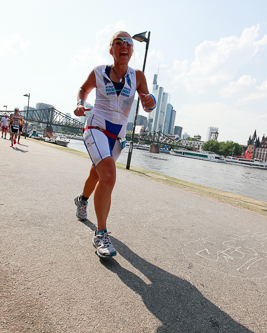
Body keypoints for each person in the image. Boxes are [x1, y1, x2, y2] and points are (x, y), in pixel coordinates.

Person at [73, 31, 156, 258]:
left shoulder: (137, 76)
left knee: (98, 174)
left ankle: (82, 200)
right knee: (108, 175)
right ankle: (101, 234)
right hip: (96, 127)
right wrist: (81, 103)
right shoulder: (99, 72)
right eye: (118, 42)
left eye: (128, 43)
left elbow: (148, 103)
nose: (124, 46)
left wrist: (150, 102)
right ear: (111, 50)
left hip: (117, 137)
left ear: (131, 51)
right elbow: (84, 89)